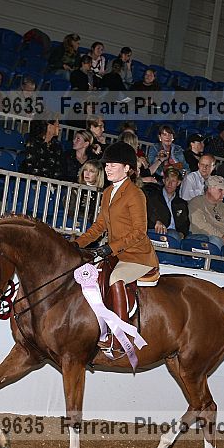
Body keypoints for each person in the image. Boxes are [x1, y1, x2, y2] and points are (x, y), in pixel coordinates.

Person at [74, 141, 159, 352]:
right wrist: (75, 244)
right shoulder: (107, 193)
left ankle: (122, 336)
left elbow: (139, 231)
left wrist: (110, 248)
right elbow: (99, 227)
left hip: (137, 256)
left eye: (113, 165)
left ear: (127, 168)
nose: (108, 168)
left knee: (115, 278)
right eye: (106, 165)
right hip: (116, 254)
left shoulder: (135, 194)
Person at [145, 167, 189, 240]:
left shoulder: (182, 203)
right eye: (168, 180)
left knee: (201, 238)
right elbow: (148, 214)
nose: (170, 184)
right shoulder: (153, 197)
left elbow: (185, 224)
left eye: (173, 181)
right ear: (164, 181)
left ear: (178, 183)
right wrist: (156, 221)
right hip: (158, 231)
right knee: (173, 235)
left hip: (176, 234)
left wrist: (182, 233)